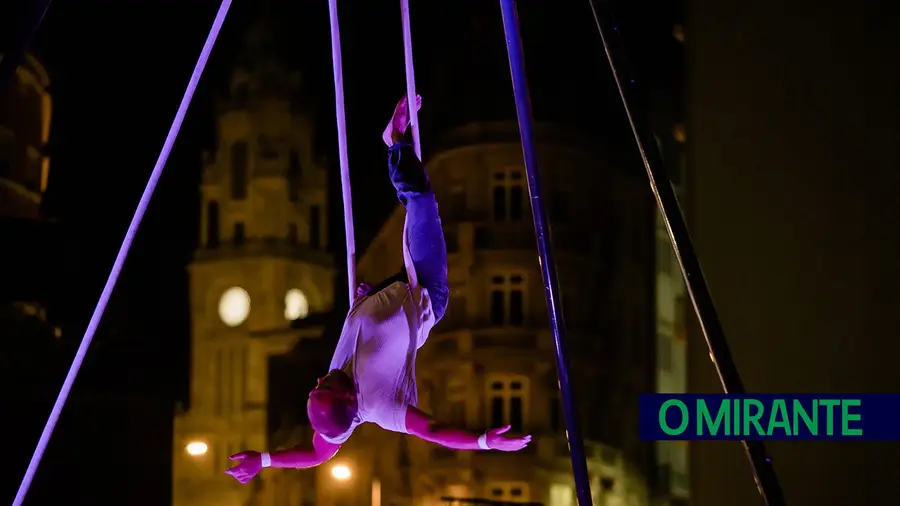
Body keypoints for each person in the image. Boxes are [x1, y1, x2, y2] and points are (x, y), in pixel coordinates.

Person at [225, 95, 531, 484]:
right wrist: (484, 442)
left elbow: (313, 456)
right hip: (424, 293)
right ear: (349, 400)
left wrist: (263, 460)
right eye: (327, 385)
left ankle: (397, 147)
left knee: (415, 209)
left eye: (316, 386)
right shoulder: (384, 407)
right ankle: (395, 142)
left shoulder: (333, 406)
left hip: (383, 292)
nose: (320, 379)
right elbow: (434, 431)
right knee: (420, 202)